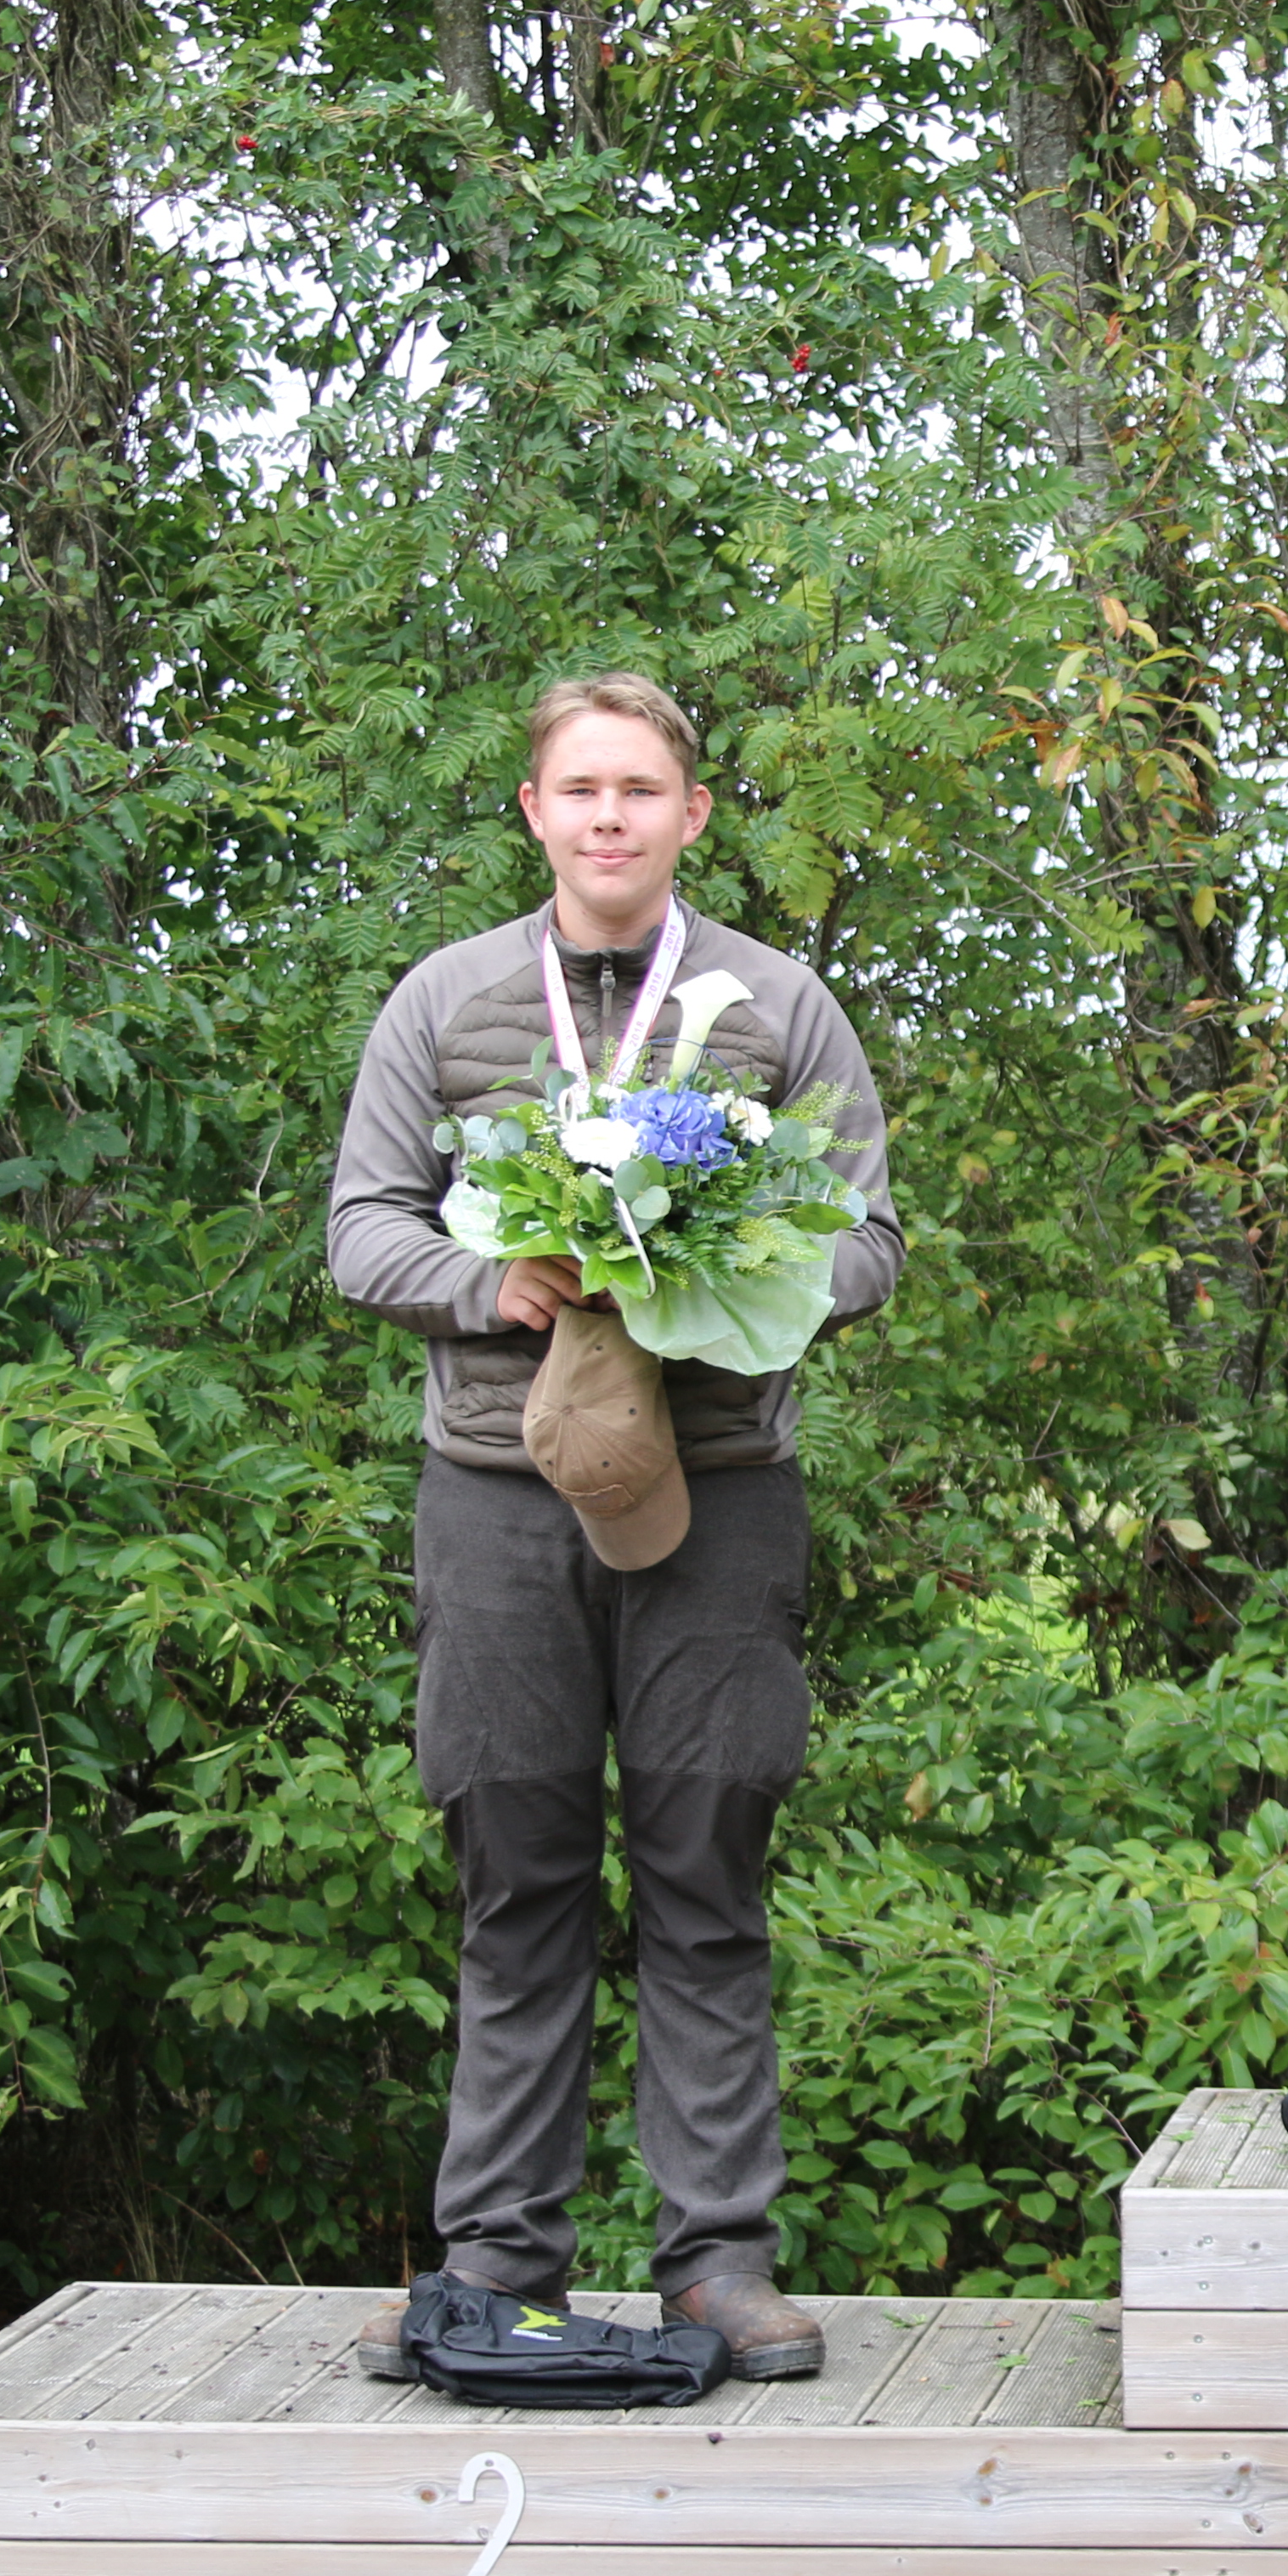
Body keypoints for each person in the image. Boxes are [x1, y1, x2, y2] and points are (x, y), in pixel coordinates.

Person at [324, 671, 903, 2379]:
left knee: (707, 1875)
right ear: (534, 812)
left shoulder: (780, 1009)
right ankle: (498, 2261)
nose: (608, 819)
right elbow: (359, 1229)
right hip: (498, 1501)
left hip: (717, 1505)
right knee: (516, 1884)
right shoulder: (445, 1003)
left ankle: (719, 2263)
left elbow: (870, 1240)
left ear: (692, 814)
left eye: (641, 791)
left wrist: (728, 1270)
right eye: (579, 791)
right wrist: (487, 1281)